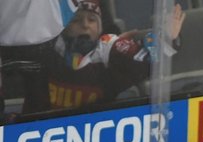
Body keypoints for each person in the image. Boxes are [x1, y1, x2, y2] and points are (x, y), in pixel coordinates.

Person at [22, 1, 183, 115]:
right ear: (64, 27)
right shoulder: (48, 46)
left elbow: (150, 62)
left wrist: (167, 39)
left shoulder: (107, 47)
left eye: (92, 20)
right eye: (77, 20)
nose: (85, 25)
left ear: (99, 27)